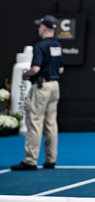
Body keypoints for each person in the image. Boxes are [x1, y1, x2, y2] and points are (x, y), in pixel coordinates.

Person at [11, 15, 64, 171]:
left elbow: (35, 69)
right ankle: (50, 159)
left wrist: (25, 75)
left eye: (40, 26)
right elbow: (61, 69)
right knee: (51, 124)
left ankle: (30, 160)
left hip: (41, 87)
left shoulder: (40, 46)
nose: (38, 28)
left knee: (34, 123)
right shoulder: (57, 46)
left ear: (45, 28)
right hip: (54, 86)